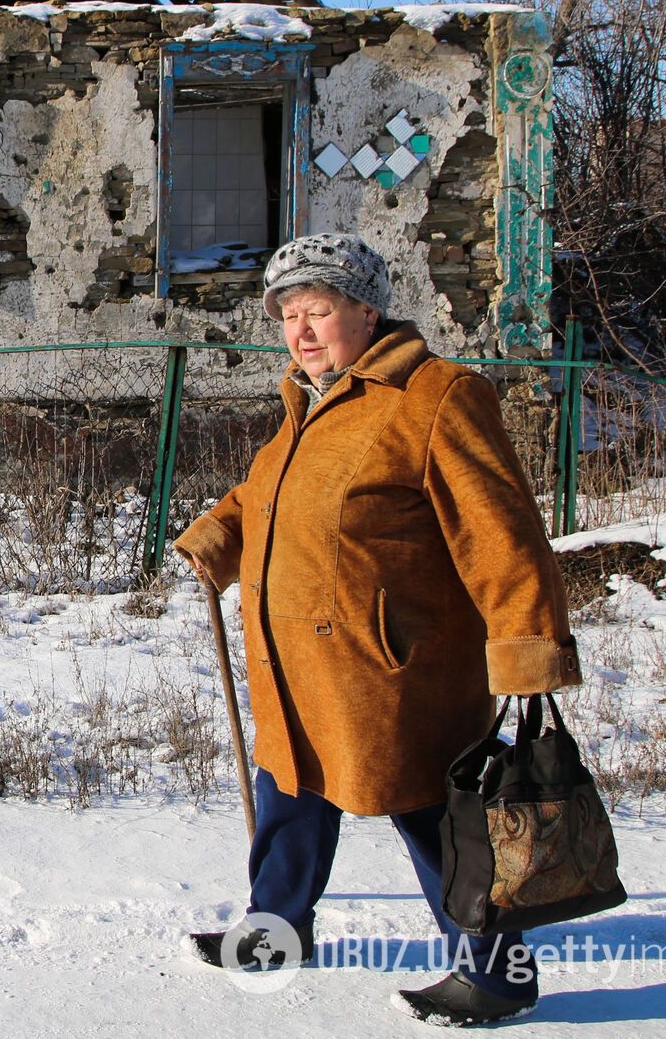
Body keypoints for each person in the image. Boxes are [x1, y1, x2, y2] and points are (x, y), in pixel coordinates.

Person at [173, 232, 582, 1027]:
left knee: (441, 820)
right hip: (299, 663)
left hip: (397, 672)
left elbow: (503, 534)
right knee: (290, 794)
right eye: (289, 314)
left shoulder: (436, 395)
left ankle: (499, 974)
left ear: (368, 310)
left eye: (318, 310)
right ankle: (278, 929)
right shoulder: (309, 399)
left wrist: (527, 645)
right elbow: (268, 496)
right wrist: (218, 535)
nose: (301, 330)